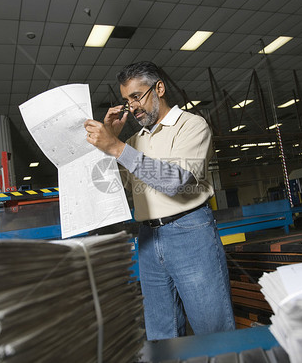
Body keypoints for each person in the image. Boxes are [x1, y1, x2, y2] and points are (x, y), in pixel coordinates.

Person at [84, 61, 235, 340]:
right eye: (127, 101)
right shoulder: (131, 142)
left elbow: (175, 181)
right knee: (160, 333)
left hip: (190, 232)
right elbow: (111, 188)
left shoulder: (191, 126)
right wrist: (109, 145)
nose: (132, 107)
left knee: (211, 328)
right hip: (148, 239)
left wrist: (116, 147)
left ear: (160, 88)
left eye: (137, 96)